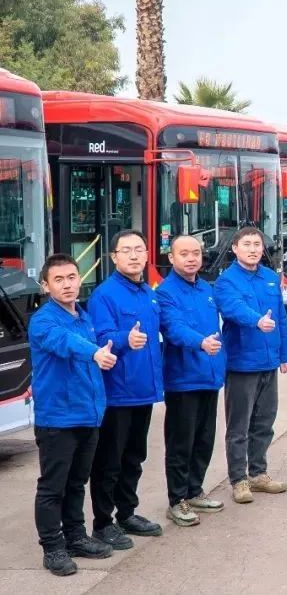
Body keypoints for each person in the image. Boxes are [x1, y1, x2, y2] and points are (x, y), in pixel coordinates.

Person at [29, 254, 117, 576]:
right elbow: (64, 343)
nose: (67, 285)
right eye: (58, 280)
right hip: (57, 419)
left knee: (77, 482)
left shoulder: (84, 316)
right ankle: (53, 547)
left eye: (71, 277)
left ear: (80, 279)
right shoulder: (43, 321)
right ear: (46, 286)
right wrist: (94, 353)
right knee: (53, 487)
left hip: (87, 415)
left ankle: (76, 536)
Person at [88, 230, 164, 549]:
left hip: (143, 390)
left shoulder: (148, 292)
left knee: (134, 457)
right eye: (126, 250)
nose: (134, 256)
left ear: (147, 255)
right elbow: (100, 336)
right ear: (114, 257)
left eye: (139, 249)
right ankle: (103, 523)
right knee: (110, 460)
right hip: (117, 392)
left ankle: (127, 513)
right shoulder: (104, 295)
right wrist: (124, 339)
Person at [214, 227, 287, 504]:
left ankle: (258, 473)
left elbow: (281, 318)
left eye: (257, 244)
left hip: (269, 362)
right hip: (242, 364)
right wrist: (256, 320)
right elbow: (232, 309)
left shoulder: (270, 277)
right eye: (246, 244)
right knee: (239, 426)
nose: (253, 249)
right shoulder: (226, 281)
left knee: (264, 422)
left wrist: (285, 354)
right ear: (235, 248)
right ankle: (239, 480)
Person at [156, 236, 226, 527]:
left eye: (196, 253)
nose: (191, 258)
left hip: (209, 377)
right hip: (183, 380)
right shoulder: (165, 292)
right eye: (183, 253)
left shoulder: (206, 289)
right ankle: (177, 500)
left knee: (204, 439)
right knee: (180, 443)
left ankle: (194, 491)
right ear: (171, 258)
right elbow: (173, 329)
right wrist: (200, 342)